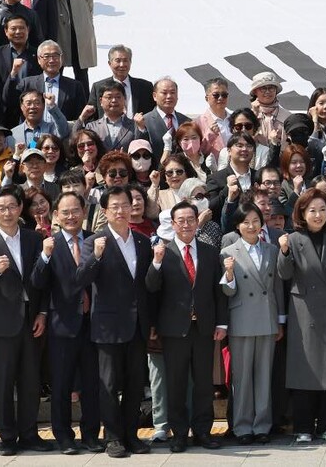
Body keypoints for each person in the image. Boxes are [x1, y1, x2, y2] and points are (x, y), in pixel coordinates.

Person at [0, 186, 50, 455]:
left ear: (20, 209)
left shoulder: (33, 239)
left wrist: (42, 313)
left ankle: (29, 434)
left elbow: (43, 281)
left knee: (30, 381)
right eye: (1, 208)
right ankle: (7, 437)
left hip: (32, 320)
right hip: (2, 325)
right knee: (4, 383)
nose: (7, 212)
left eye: (12, 207)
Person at [76, 186, 153, 458]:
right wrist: (96, 256)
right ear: (105, 211)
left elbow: (146, 285)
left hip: (137, 324)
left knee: (135, 383)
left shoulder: (143, 241)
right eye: (115, 206)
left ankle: (131, 435)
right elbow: (81, 279)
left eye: (125, 205)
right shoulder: (94, 241)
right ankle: (113, 438)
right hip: (108, 326)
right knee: (108, 385)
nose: (121, 211)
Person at [145, 200, 226, 452]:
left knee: (203, 383)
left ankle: (203, 431)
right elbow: (151, 288)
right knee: (176, 383)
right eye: (181, 220)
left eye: (191, 219)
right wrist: (156, 262)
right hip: (174, 329)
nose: (186, 224)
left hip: (203, 327)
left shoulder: (210, 251)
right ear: (173, 224)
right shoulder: (163, 252)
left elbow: (218, 291)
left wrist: (221, 323)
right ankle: (179, 433)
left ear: (197, 221)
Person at [277, 188, 326, 444]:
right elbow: (284, 274)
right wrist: (284, 252)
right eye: (312, 210)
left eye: (322, 210)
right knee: (304, 370)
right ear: (302, 213)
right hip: (303, 313)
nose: (318, 215)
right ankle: (303, 426)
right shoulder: (293, 239)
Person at [32, 192, 101, 454]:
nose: (71, 216)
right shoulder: (50, 243)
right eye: (65, 212)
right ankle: (63, 436)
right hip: (62, 323)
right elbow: (37, 282)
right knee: (61, 384)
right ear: (56, 215)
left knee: (92, 384)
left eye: (75, 211)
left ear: (84, 212)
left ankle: (91, 435)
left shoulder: (94, 241)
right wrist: (45, 256)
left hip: (93, 323)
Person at [220, 202, 284, 445]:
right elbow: (227, 292)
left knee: (264, 376)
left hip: (267, 318)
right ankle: (242, 426)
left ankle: (262, 426)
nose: (251, 226)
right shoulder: (228, 252)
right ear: (237, 225)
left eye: (255, 221)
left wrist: (280, 320)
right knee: (242, 378)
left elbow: (277, 287)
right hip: (241, 319)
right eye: (245, 222)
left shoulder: (271, 249)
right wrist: (228, 274)